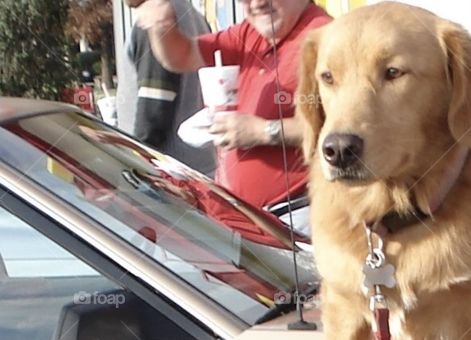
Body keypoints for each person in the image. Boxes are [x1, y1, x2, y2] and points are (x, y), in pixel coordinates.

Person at [135, 0, 331, 212]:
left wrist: (262, 131)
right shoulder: (250, 32)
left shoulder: (326, 38)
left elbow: (342, 129)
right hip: (244, 214)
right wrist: (161, 27)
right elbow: (183, 55)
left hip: (296, 214)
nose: (257, 3)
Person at [116, 0, 215, 176]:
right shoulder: (195, 16)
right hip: (200, 168)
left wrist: (134, 170)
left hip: (168, 175)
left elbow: (153, 113)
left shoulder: (155, 21)